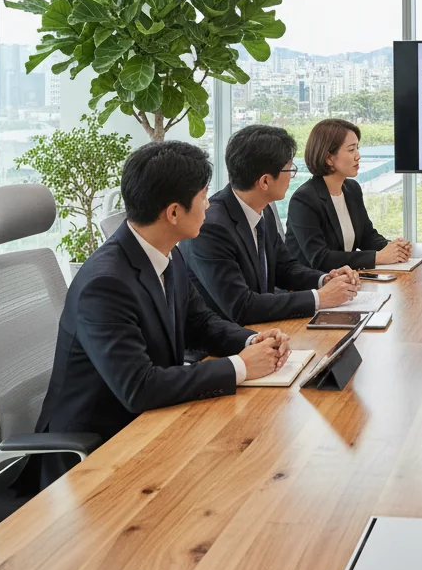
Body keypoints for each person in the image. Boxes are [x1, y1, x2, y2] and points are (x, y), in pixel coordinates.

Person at [34, 141, 290, 486]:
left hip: (153, 425)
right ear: (173, 213)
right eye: (203, 197)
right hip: (96, 457)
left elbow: (199, 322)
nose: (209, 204)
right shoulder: (105, 284)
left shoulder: (165, 251)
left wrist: (252, 341)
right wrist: (241, 366)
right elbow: (139, 387)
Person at [182, 125, 360, 324]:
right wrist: (320, 298)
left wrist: (324, 279)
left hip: (264, 329)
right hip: (228, 337)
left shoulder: (263, 209)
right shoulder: (211, 227)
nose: (291, 177)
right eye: (289, 169)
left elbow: (284, 267)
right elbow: (241, 306)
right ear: (265, 181)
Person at [286, 118, 412, 272]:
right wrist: (377, 257)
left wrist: (394, 248)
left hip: (347, 280)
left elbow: (367, 237)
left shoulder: (352, 189)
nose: (358, 156)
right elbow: (320, 258)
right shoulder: (304, 199)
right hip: (315, 283)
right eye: (351, 150)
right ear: (328, 158)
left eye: (357, 148)